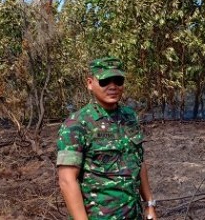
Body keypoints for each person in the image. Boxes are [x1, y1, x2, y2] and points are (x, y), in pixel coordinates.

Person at [56, 57, 158, 220]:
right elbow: (67, 180)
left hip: (134, 213)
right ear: (90, 83)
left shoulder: (129, 116)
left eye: (118, 81)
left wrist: (149, 204)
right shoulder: (77, 124)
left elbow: (139, 162)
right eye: (104, 81)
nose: (113, 87)